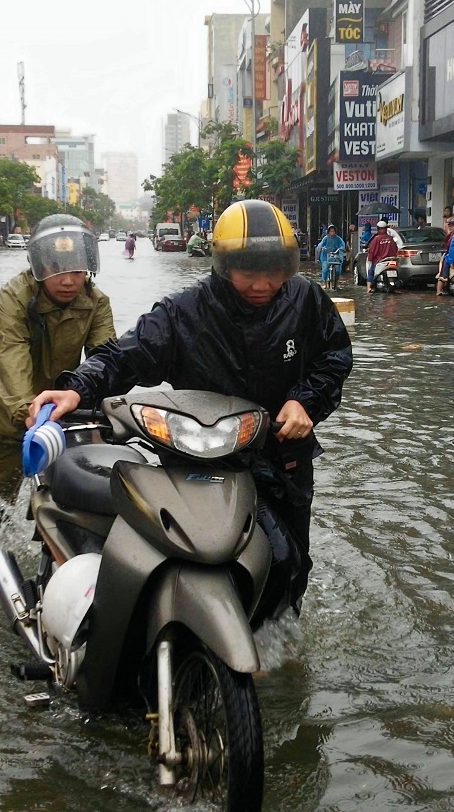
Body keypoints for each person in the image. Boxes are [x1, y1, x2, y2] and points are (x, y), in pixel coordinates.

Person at [27, 199, 353, 614]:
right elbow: (124, 355)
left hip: (282, 456)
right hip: (202, 462)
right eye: (248, 271)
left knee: (289, 564)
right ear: (222, 264)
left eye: (274, 271)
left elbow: (335, 356)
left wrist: (304, 402)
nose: (262, 284)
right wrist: (75, 389)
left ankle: (277, 645)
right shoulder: (184, 312)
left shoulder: (304, 298)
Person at [0, 214, 116, 505]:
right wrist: (26, 412)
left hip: (64, 413)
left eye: (76, 270)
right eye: (56, 268)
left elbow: (106, 358)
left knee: (72, 494)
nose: (68, 280)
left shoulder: (97, 303)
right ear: (38, 266)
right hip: (6, 411)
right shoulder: (13, 297)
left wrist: (106, 413)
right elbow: (11, 356)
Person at [365, 220, 398, 293]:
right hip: (391, 259)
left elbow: (372, 251)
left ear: (378, 228)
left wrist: (370, 259)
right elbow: (395, 248)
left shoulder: (376, 239)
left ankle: (368, 288)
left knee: (371, 271)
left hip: (379, 260)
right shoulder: (390, 238)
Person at [436, 218, 454, 295]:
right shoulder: (450, 235)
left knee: (443, 273)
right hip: (452, 256)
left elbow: (451, 248)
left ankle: (439, 290)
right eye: (449, 226)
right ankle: (439, 290)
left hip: (451, 256)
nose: (450, 227)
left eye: (452, 226)